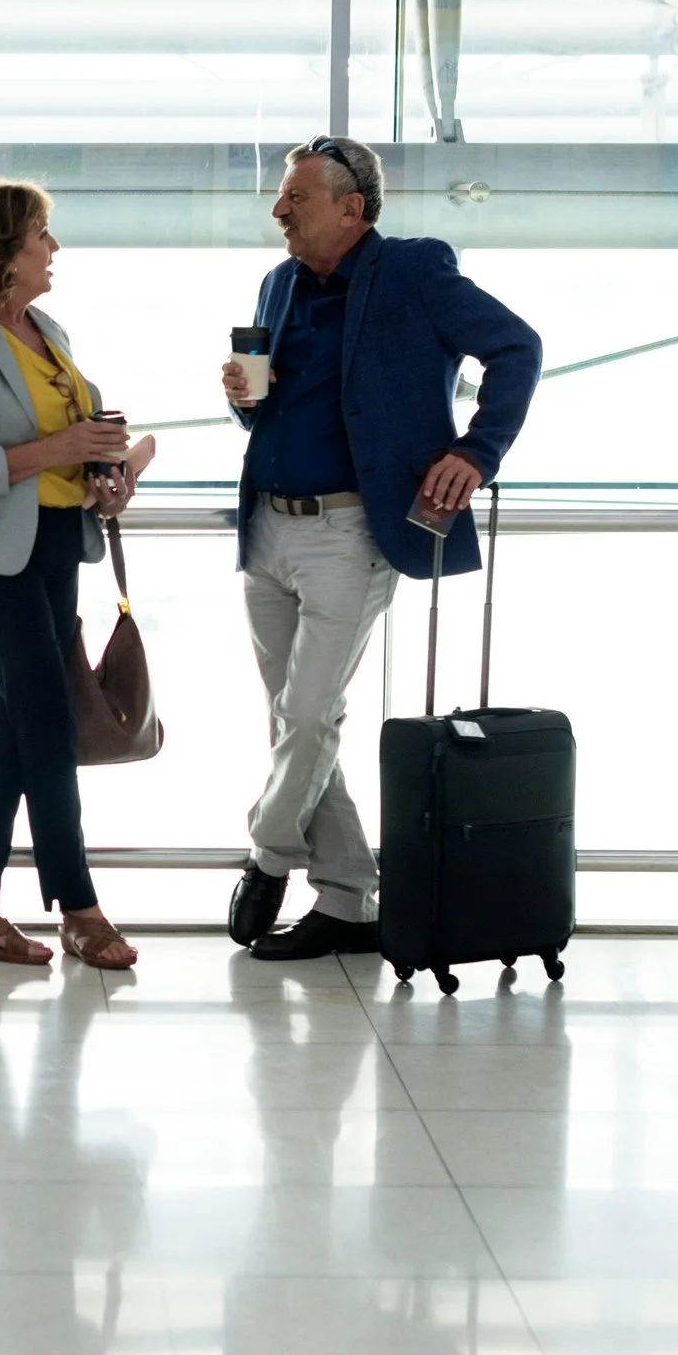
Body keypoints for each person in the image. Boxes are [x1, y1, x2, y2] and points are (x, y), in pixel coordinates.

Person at [222, 137, 541, 962]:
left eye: (295, 197)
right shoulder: (279, 283)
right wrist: (243, 400)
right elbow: (274, 408)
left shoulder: (415, 272)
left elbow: (518, 348)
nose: (278, 210)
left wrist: (477, 452)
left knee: (306, 715)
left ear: (350, 209)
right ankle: (350, 904)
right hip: (268, 528)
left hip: (351, 530)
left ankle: (266, 854)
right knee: (298, 721)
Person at [0, 178, 144, 971]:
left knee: (7, 732)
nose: (54, 249)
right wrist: (58, 452)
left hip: (56, 544)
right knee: (46, 720)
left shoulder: (50, 332)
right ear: (3, 252)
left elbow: (80, 440)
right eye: (41, 235)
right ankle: (78, 908)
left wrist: (108, 474)